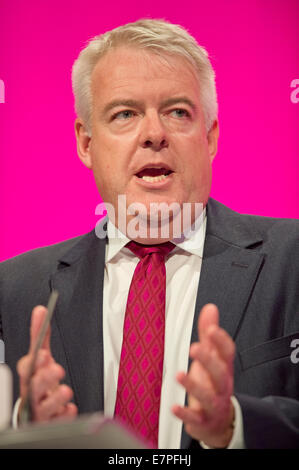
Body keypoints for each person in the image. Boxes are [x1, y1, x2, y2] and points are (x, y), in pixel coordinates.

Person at [0, 19, 298, 449]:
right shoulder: (14, 289)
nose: (154, 134)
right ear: (86, 143)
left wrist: (235, 425)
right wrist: (23, 423)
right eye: (125, 114)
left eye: (178, 112)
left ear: (210, 137)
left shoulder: (292, 261)